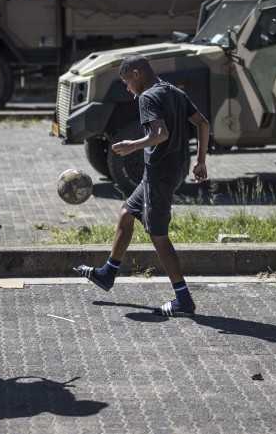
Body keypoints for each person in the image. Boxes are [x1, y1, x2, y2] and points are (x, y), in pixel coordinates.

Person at [74, 53, 209, 317]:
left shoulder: (148, 97)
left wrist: (131, 145)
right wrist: (201, 161)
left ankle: (183, 299)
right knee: (127, 213)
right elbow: (203, 123)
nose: (127, 88)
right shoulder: (173, 91)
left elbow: (161, 134)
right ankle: (107, 273)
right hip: (172, 169)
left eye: (126, 82)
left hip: (160, 174)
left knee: (158, 234)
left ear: (137, 73)